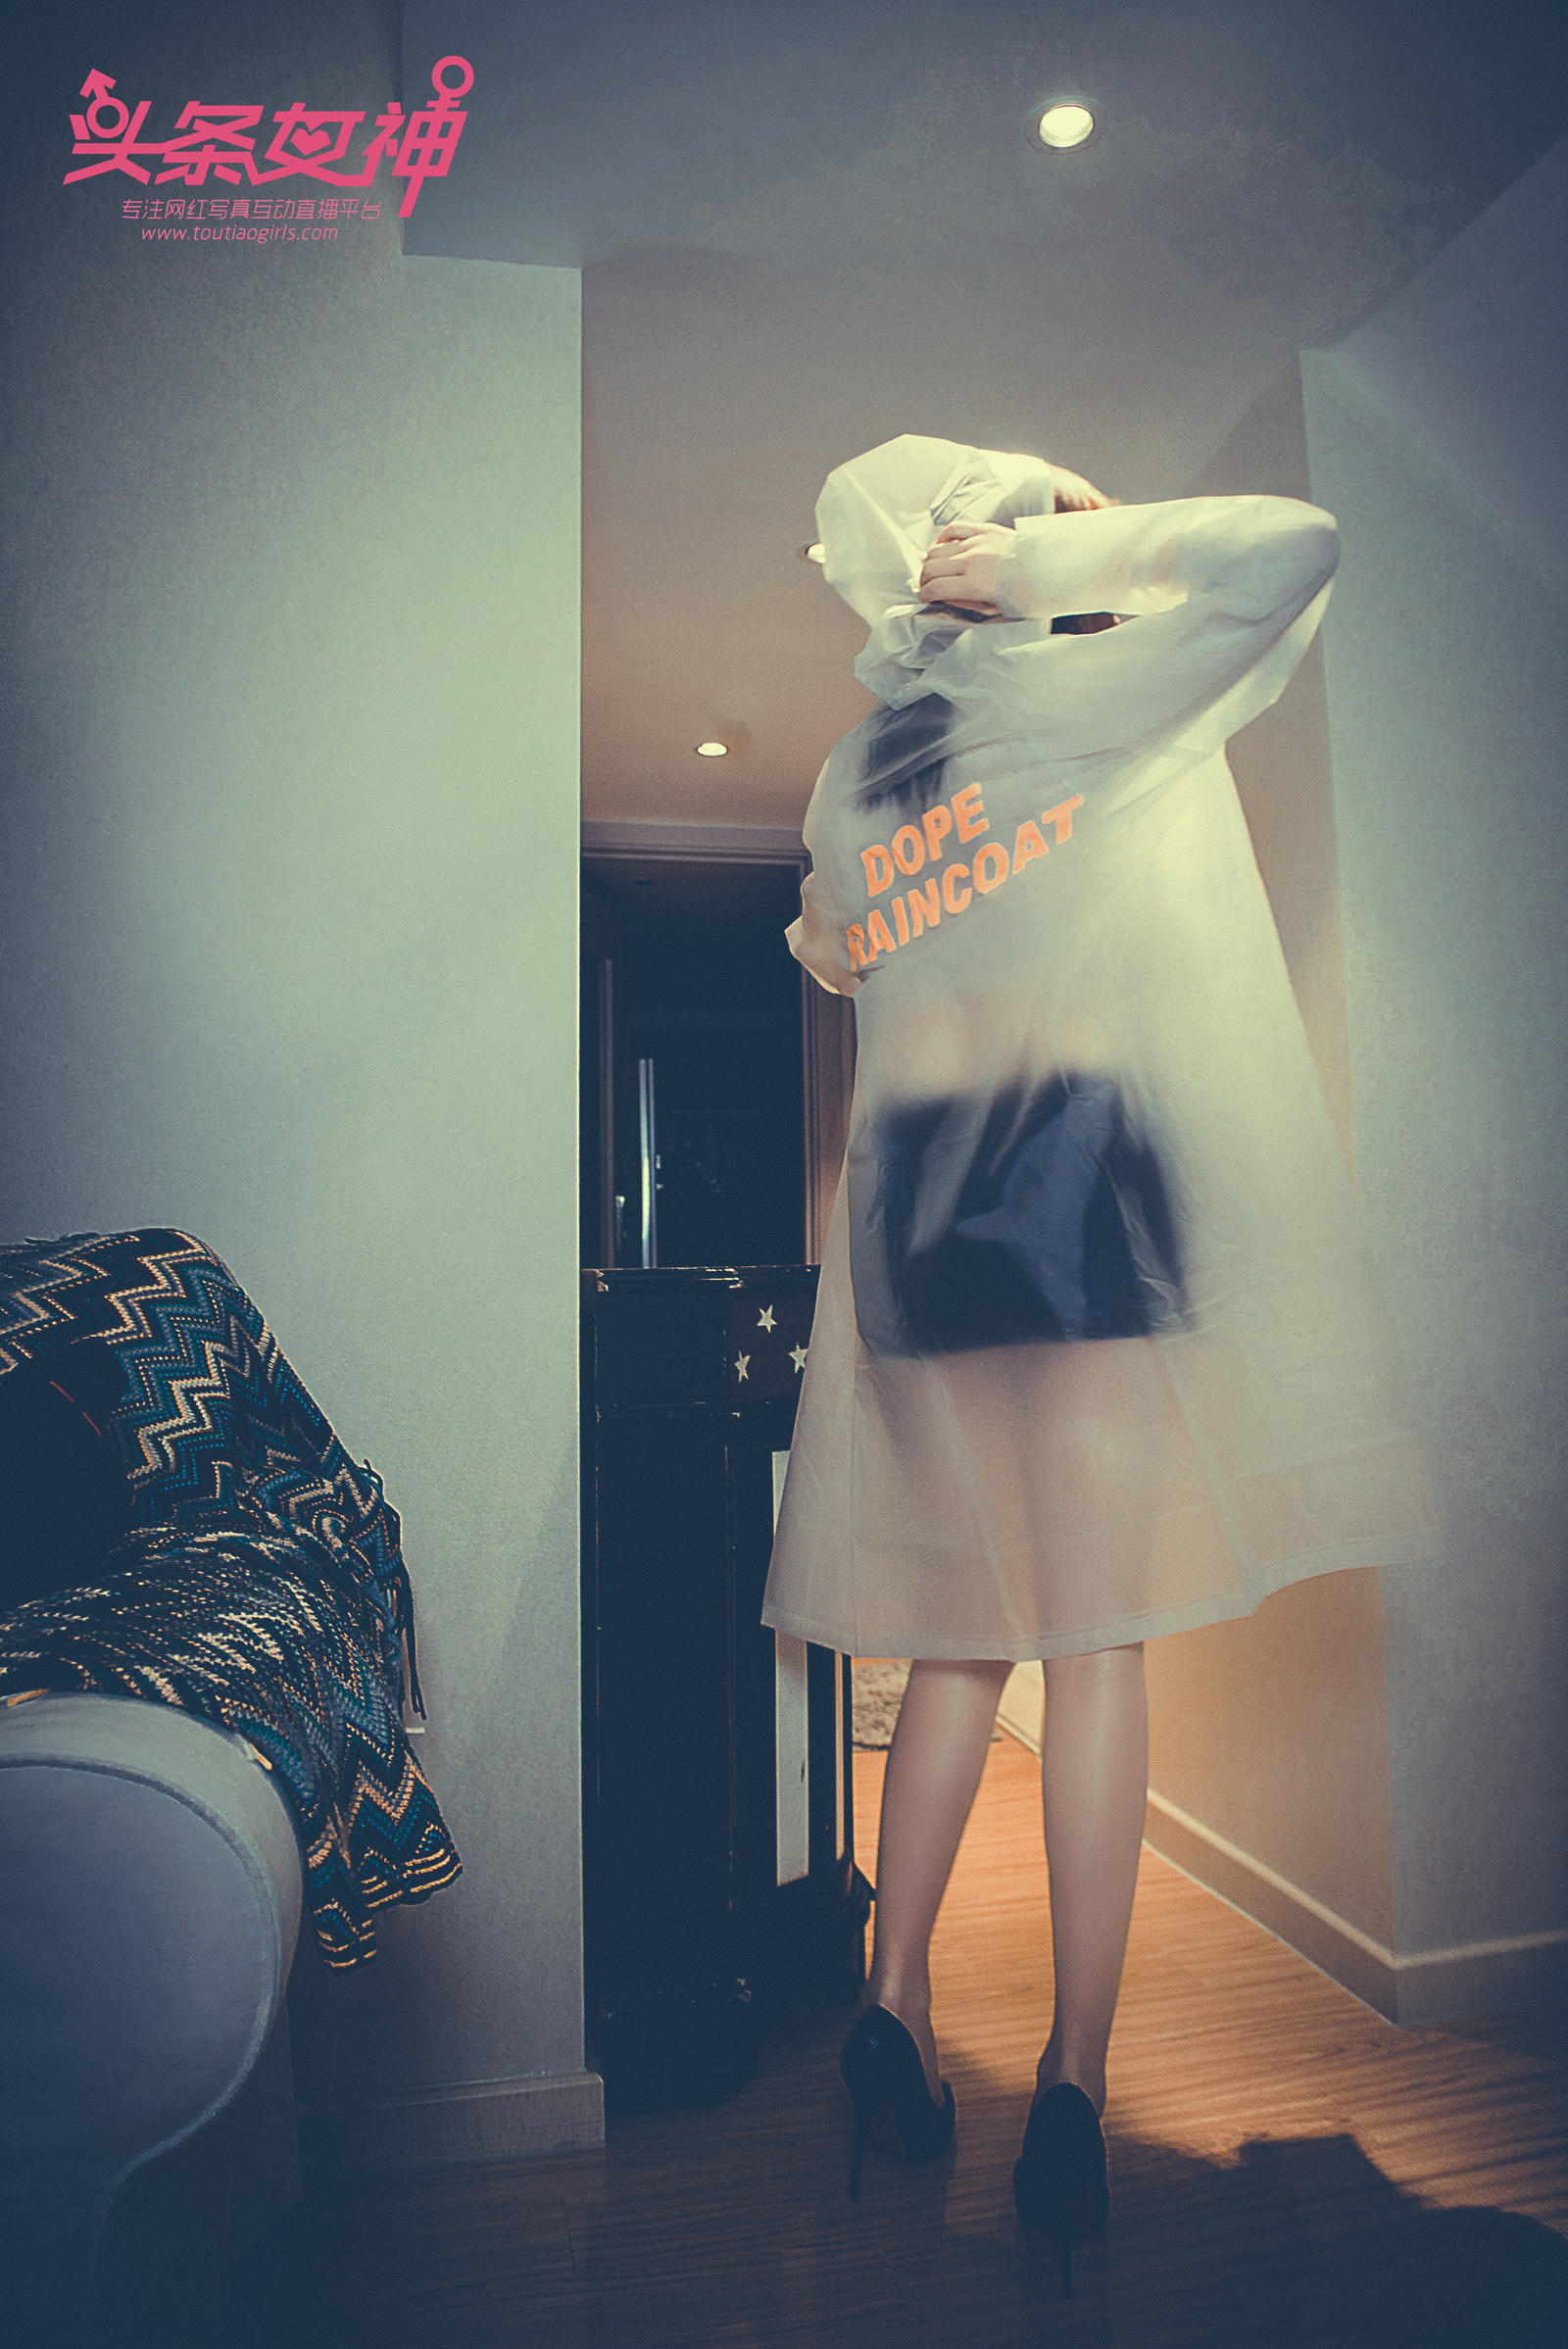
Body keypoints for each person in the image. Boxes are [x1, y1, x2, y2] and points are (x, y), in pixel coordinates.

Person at [761, 435, 1440, 2294]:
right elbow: (1290, 546)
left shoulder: (855, 769)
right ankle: (1071, 2075)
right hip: (1067, 1174)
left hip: (915, 1210)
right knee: (1095, 1631)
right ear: (991, 561)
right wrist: (1066, 558)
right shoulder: (1085, 697)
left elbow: (830, 948)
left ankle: (891, 2002)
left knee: (959, 1630)